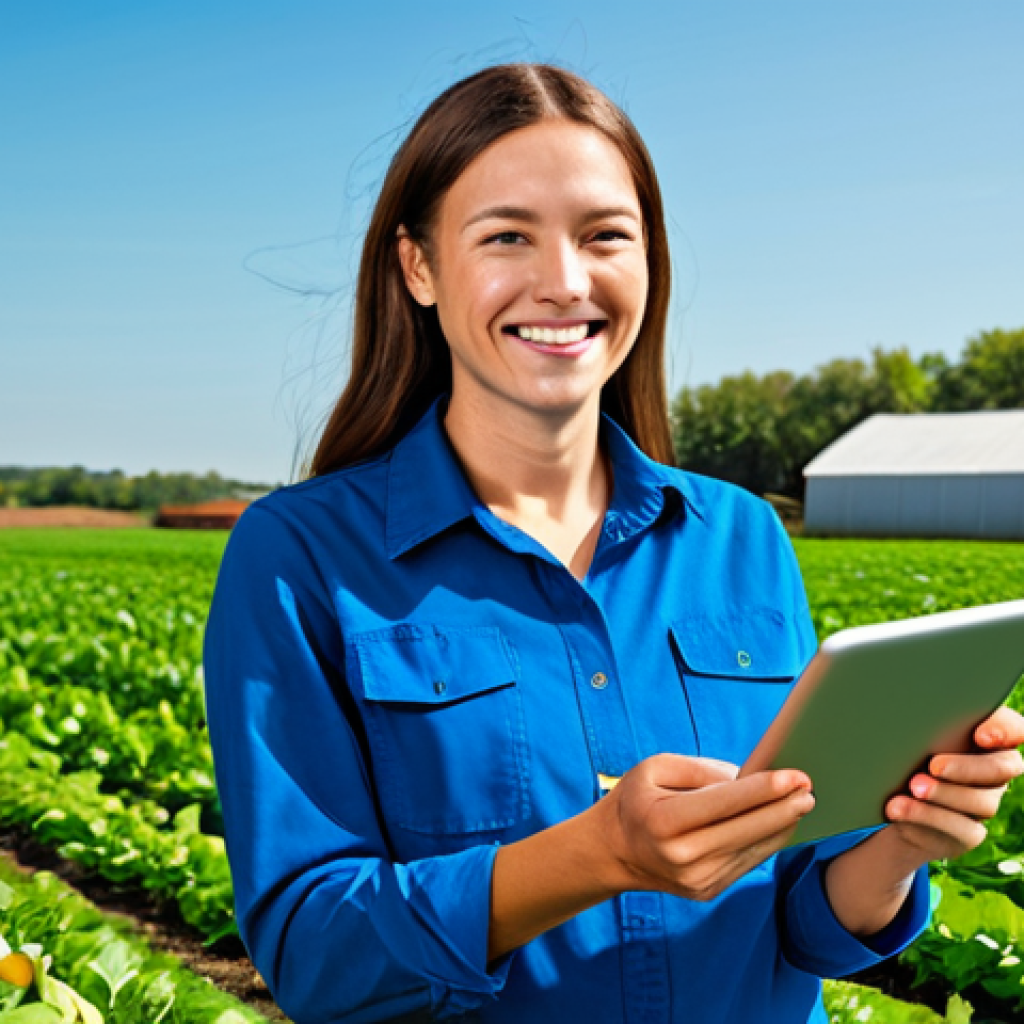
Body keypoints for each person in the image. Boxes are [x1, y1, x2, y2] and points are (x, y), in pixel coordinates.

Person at [202, 63, 1024, 1023]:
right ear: (418, 267)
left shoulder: (742, 539)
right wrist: (591, 857)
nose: (563, 282)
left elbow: (800, 924)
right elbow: (314, 956)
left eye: (605, 237)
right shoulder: (299, 558)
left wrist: (903, 840)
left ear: (648, 264)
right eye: (507, 236)